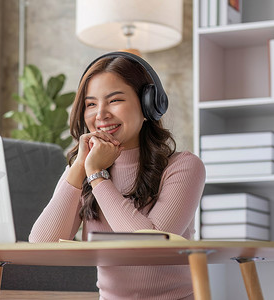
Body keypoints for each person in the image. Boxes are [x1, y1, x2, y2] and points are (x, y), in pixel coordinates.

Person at [28, 51, 206, 300]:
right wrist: (80, 166)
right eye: (91, 104)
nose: (100, 114)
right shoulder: (83, 169)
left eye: (114, 100)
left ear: (148, 105)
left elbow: (150, 248)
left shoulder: (184, 167)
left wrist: (98, 177)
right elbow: (41, 245)